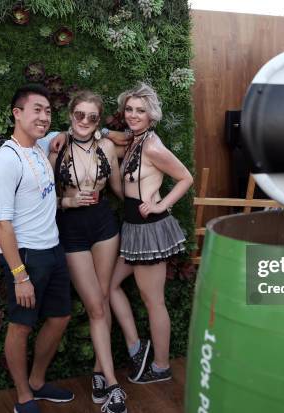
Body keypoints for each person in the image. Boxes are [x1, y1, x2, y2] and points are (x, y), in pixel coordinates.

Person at [0, 84, 73, 413]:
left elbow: (70, 131)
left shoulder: (39, 146)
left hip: (53, 248)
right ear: (17, 113)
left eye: (48, 111)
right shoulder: (6, 161)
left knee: (61, 317)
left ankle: (38, 381)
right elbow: (1, 224)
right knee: (21, 325)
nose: (44, 116)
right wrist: (20, 276)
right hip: (26, 257)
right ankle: (23, 396)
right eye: (36, 109)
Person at [43, 90, 127, 413]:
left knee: (102, 300)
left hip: (104, 225)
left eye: (93, 117)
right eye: (80, 115)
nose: (85, 122)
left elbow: (118, 188)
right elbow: (46, 199)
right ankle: (114, 385)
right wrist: (68, 201)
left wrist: (148, 198)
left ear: (98, 120)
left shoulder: (106, 146)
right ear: (71, 114)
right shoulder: (57, 148)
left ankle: (98, 374)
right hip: (72, 230)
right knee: (94, 305)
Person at [109, 82, 193, 383]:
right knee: (110, 287)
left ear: (151, 115)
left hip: (148, 229)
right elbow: (112, 136)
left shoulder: (154, 146)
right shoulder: (134, 140)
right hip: (132, 227)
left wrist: (161, 205)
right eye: (129, 109)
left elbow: (185, 177)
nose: (133, 115)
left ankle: (160, 366)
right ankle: (136, 347)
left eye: (140, 111)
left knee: (153, 300)